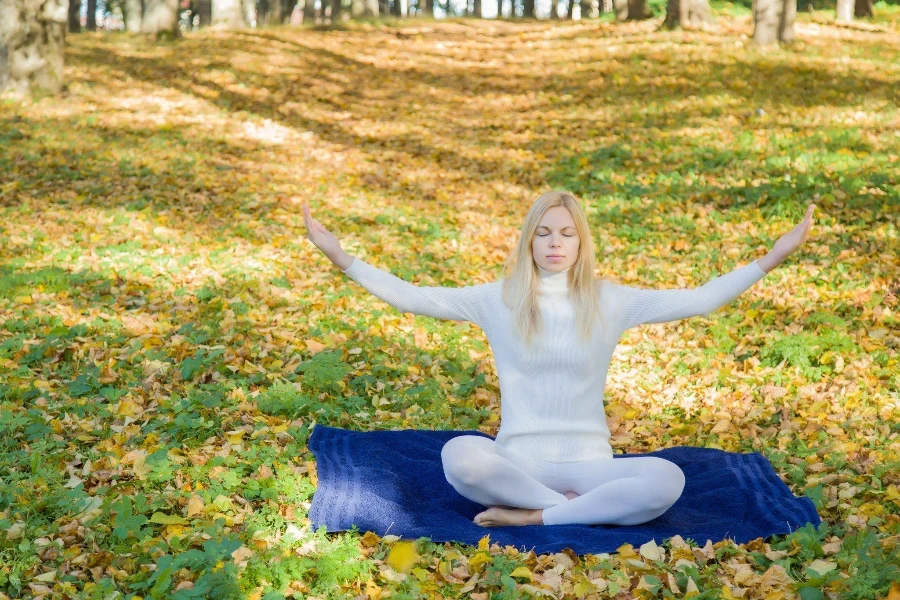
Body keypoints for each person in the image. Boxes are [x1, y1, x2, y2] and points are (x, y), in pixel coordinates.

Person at [303, 191, 816, 527]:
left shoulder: (611, 299)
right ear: (529, 240)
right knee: (459, 456)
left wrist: (772, 257)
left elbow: (700, 299)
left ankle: (535, 518)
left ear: (580, 242)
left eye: (566, 233)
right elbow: (414, 296)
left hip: (592, 464)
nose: (554, 243)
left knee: (669, 480)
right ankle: (562, 510)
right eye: (544, 232)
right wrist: (341, 257)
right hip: (516, 462)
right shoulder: (498, 298)